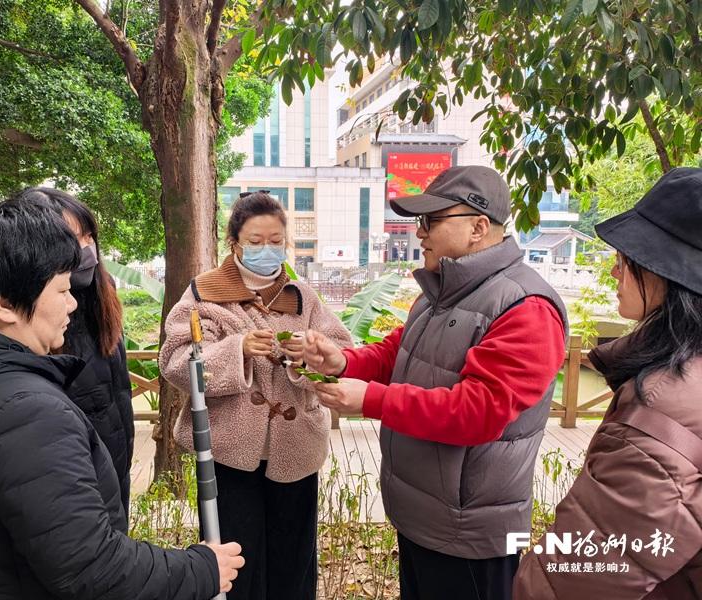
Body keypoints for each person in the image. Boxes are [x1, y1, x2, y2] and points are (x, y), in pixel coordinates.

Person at [0, 197, 243, 599]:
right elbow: (93, 570)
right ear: (7, 305)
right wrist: (201, 569)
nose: (72, 303)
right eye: (62, 289)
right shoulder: (20, 413)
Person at [303, 165, 569, 600]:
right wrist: (341, 362)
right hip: (423, 517)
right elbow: (397, 355)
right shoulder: (440, 292)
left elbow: (479, 411)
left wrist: (371, 400)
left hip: (471, 535)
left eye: (431, 221)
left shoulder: (526, 306)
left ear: (478, 228)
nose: (419, 234)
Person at [515, 167, 702, 599]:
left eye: (627, 258)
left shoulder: (661, 406)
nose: (614, 271)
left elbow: (575, 580)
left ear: (668, 274)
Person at [160, 190, 352, 600]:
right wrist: (238, 350)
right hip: (230, 450)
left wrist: (309, 355)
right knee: (236, 558)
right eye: (256, 241)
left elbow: (340, 355)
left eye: (275, 241)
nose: (268, 249)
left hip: (296, 449)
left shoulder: (304, 297)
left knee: (294, 558)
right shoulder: (203, 293)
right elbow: (176, 361)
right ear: (235, 244)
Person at [18, 187, 135, 516]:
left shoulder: (101, 293)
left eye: (88, 237)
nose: (86, 250)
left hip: (116, 462)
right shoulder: (34, 319)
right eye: (73, 239)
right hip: (73, 480)